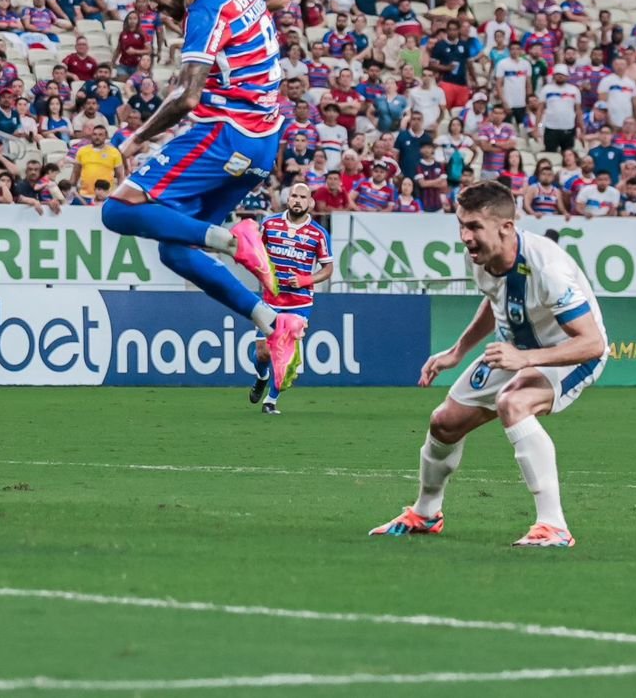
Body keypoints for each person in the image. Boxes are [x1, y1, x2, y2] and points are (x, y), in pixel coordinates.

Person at [101, 0, 306, 380]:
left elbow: (187, 96)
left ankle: (236, 243)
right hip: (263, 145)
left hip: (227, 133)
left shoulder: (205, 8)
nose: (156, 6)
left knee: (117, 211)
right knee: (176, 251)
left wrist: (132, 142)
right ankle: (274, 324)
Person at [370, 181, 608, 548]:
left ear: (506, 227)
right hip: (516, 350)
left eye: (474, 227)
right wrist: (458, 351)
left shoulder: (548, 269)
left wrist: (525, 359)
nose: (465, 236)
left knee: (513, 402)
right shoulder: (481, 257)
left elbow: (592, 343)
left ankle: (553, 525)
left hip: (567, 354)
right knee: (444, 422)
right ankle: (425, 513)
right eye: (462, 225)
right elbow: (493, 300)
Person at [247, 183, 333, 415]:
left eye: (302, 197)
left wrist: (305, 280)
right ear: (288, 199)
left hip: (299, 303)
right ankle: (261, 377)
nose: (297, 200)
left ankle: (271, 401)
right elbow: (256, 251)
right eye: (294, 195)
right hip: (270, 299)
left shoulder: (318, 234)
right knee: (263, 352)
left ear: (310, 203)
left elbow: (327, 269)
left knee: (284, 355)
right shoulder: (270, 224)